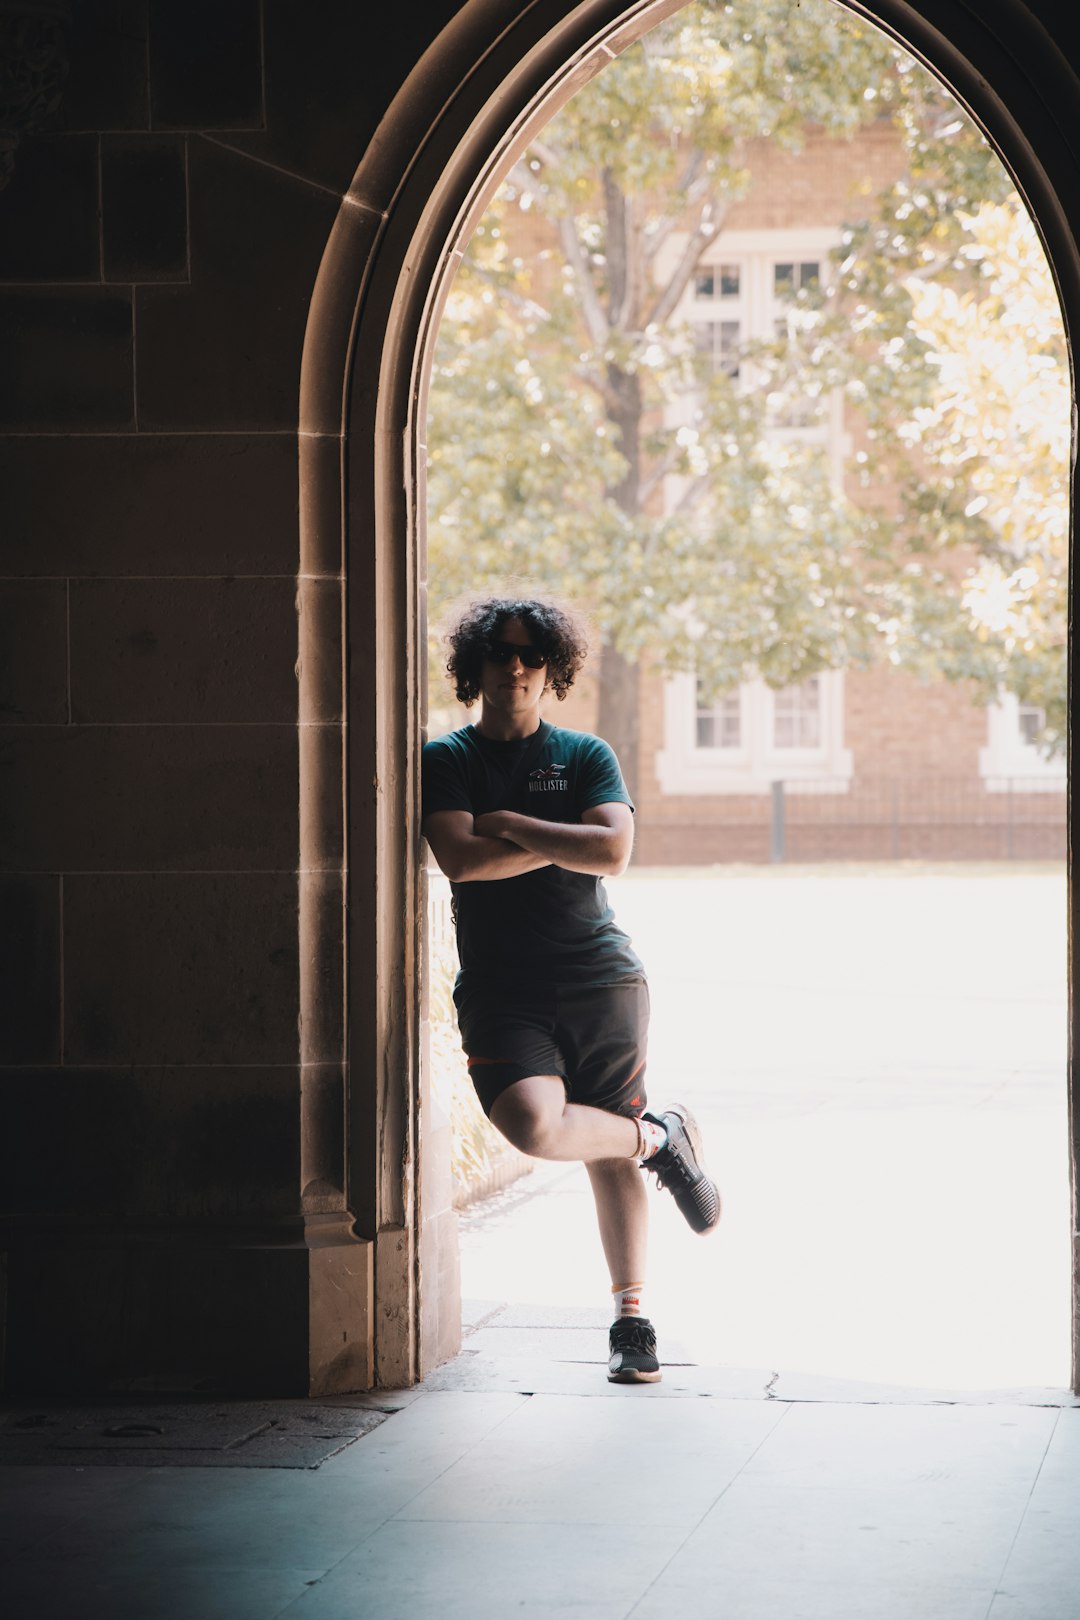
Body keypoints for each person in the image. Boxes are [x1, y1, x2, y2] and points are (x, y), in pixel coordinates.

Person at [421, 596, 721, 1383]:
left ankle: (632, 1322)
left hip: (600, 977)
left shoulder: (586, 754)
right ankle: (663, 1138)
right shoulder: (446, 759)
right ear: (474, 667)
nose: (513, 667)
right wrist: (563, 841)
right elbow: (459, 861)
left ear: (552, 669)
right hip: (501, 987)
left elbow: (614, 851)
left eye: (529, 655)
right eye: (498, 654)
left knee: (604, 1150)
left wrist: (512, 822)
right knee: (534, 1123)